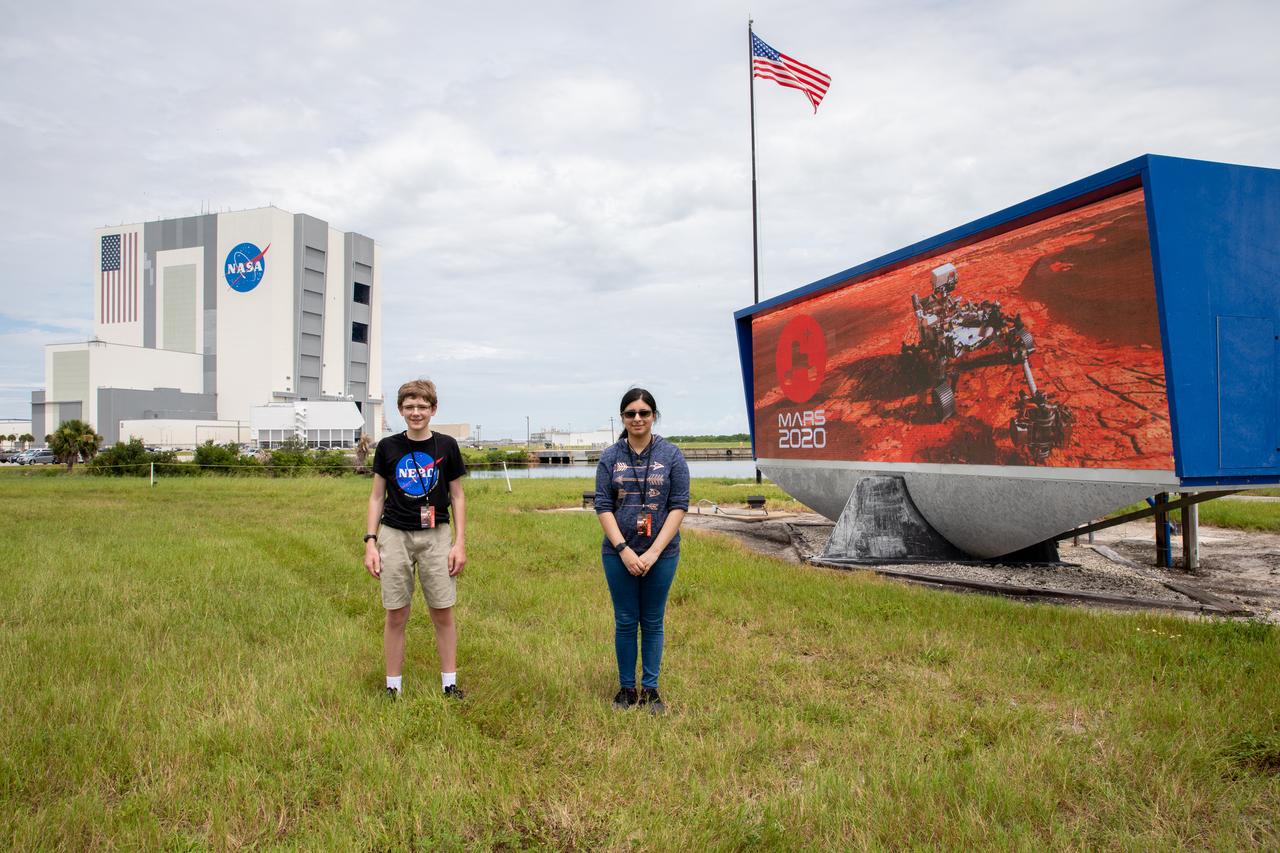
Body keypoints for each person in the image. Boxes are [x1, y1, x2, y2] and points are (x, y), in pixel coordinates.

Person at [364, 379, 468, 700]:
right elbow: (376, 496)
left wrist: (459, 542)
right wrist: (370, 541)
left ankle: (449, 684)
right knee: (396, 612)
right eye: (409, 407)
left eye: (422, 406)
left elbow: (458, 496)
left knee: (442, 610)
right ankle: (392, 687)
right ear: (400, 410)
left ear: (433, 409)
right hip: (394, 533)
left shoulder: (447, 446)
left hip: (437, 535)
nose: (416, 412)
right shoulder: (388, 447)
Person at [594, 388, 690, 713]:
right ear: (623, 417)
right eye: (631, 413)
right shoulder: (610, 457)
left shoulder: (672, 455)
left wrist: (652, 553)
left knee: (652, 621)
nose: (637, 418)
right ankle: (626, 689)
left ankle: (650, 689)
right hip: (618, 553)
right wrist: (623, 549)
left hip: (661, 554)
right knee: (624, 620)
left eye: (644, 412)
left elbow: (679, 505)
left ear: (654, 416)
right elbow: (603, 506)